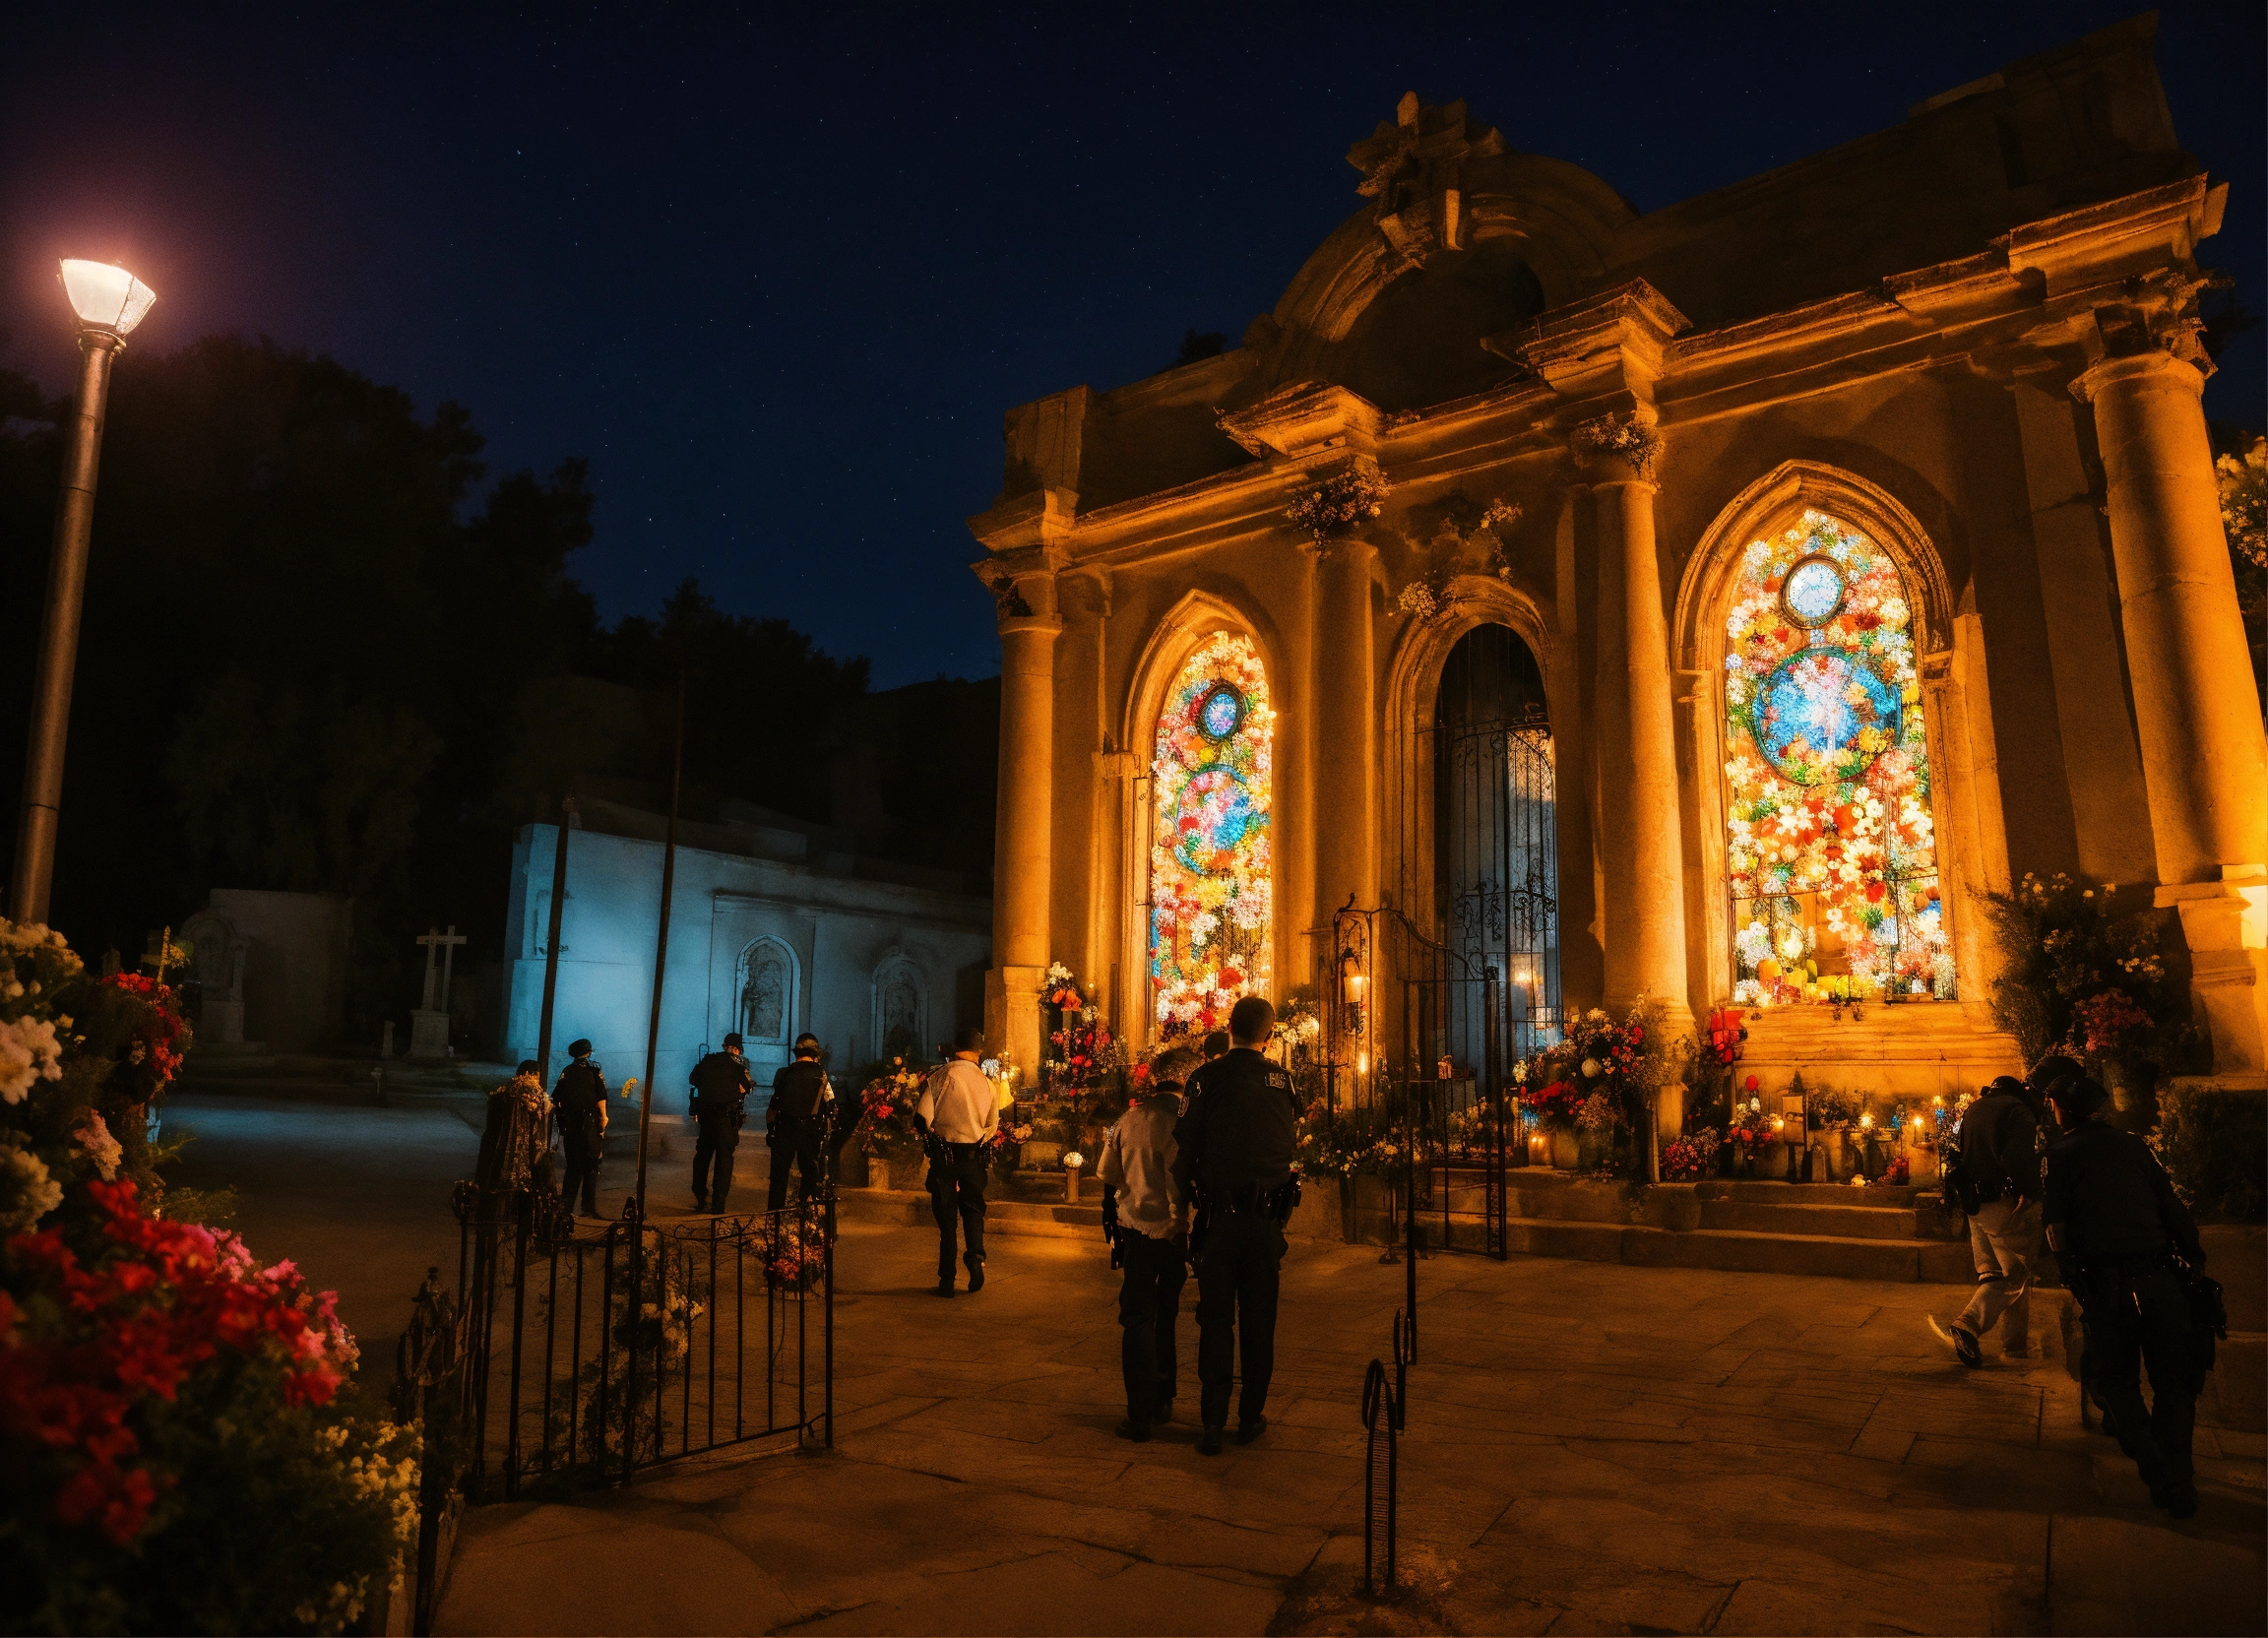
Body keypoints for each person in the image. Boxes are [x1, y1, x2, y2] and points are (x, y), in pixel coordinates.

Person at [2042, 1066, 2210, 1520]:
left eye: (2054, 1105)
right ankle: (2179, 1476)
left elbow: (2055, 1229)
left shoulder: (2060, 1155)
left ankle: (2158, 1470)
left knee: (2117, 1381)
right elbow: (2170, 1204)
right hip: (2160, 1279)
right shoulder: (2133, 1145)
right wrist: (2193, 1256)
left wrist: (2074, 1277)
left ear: (2065, 1110)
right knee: (2173, 1384)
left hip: (2108, 1287)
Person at [1172, 995, 1301, 1456]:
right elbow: (1290, 1137)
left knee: (1215, 1321)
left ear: (1229, 1029)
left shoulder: (1205, 1078)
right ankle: (1250, 1418)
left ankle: (1211, 1424)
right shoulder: (1282, 1081)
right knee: (1259, 1322)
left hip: (1218, 1221)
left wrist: (1179, 1208)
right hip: (1266, 1222)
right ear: (1269, 1036)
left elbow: (1183, 1147)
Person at [1100, 1047, 1194, 1442]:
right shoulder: (1183, 1122)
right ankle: (1163, 1395)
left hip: (1136, 1231)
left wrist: (1122, 1206)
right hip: (1174, 1233)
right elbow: (1181, 1181)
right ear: (1188, 1081)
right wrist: (1180, 1221)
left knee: (1138, 1317)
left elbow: (1109, 1174)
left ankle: (1138, 1412)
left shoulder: (1130, 1118)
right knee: (1167, 1314)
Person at [1928, 1074, 2042, 1365]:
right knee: (2016, 1275)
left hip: (1974, 1204)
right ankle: (1969, 1325)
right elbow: (2018, 1157)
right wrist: (2029, 1193)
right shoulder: (2018, 1111)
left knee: (1993, 1276)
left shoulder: (1975, 1108)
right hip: (2002, 1203)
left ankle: (2014, 1347)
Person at [914, 1025, 998, 1296]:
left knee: (947, 1221)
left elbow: (921, 1118)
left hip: (945, 1159)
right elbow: (992, 1126)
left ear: (954, 1049)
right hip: (973, 1158)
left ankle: (947, 1280)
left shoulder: (939, 1077)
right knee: (974, 1211)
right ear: (978, 1052)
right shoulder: (988, 1083)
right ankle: (975, 1258)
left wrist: (934, 1137)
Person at [688, 1033, 754, 1213]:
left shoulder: (708, 1060)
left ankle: (700, 1197)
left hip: (706, 1117)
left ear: (724, 1045)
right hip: (727, 1118)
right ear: (736, 1049)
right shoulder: (739, 1064)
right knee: (724, 1158)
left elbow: (693, 1079)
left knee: (702, 1156)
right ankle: (718, 1203)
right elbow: (746, 1088)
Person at [768, 1033, 834, 1210]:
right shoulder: (822, 1075)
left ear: (796, 1053)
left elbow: (773, 1106)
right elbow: (831, 1105)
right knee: (809, 1173)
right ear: (815, 1054)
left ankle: (774, 1217)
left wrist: (770, 1130)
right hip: (810, 1131)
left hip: (784, 1129)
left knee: (778, 1176)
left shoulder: (783, 1073)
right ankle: (806, 1210)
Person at [551, 1040, 610, 1216]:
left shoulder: (567, 1072)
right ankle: (588, 1209)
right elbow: (601, 1099)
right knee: (591, 1167)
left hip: (572, 1125)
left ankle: (566, 1209)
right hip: (590, 1124)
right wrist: (603, 1120)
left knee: (573, 1168)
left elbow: (557, 1099)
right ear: (589, 1053)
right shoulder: (595, 1071)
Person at [476, 1060, 553, 1192]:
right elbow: (542, 1120)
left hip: (501, 1149)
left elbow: (492, 1121)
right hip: (527, 1149)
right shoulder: (537, 1095)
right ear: (530, 1073)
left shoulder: (503, 1091)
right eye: (538, 1074)